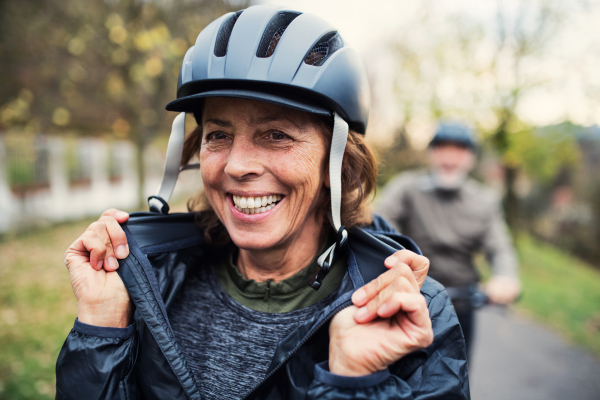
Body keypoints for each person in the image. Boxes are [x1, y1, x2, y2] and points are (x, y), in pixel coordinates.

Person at [55, 6, 469, 399]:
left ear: (337, 164)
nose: (236, 166)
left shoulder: (410, 308)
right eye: (218, 135)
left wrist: (354, 382)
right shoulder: (148, 282)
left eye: (276, 135)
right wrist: (103, 326)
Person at [376, 122, 521, 360]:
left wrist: (505, 276)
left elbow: (500, 247)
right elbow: (380, 223)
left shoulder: (485, 201)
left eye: (459, 150)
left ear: (471, 158)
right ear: (431, 153)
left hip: (460, 307)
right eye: (443, 148)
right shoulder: (407, 188)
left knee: (454, 379)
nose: (450, 157)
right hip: (409, 298)